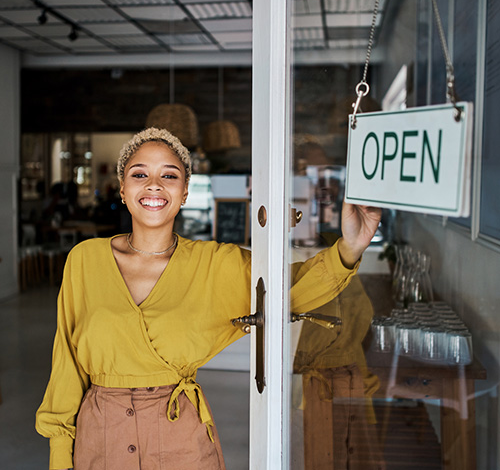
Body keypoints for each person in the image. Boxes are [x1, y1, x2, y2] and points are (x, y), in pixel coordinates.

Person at [35, 127, 381, 470]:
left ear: (184, 192)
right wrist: (59, 455)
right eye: (139, 174)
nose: (153, 184)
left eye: (169, 176)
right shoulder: (85, 260)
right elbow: (67, 366)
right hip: (100, 439)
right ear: (123, 189)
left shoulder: (216, 264)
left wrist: (350, 247)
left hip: (179, 442)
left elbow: (291, 289)